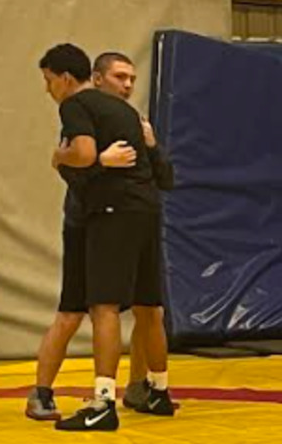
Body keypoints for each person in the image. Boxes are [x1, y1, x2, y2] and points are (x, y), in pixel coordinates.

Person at [26, 53, 175, 422]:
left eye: (131, 79)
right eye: (120, 77)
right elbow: (85, 170)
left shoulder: (99, 111)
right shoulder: (113, 115)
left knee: (111, 307)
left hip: (108, 215)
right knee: (91, 310)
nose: (127, 85)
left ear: (65, 78)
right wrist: (93, 162)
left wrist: (67, 159)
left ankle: (108, 399)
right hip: (102, 218)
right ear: (96, 78)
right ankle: (149, 389)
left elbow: (83, 161)